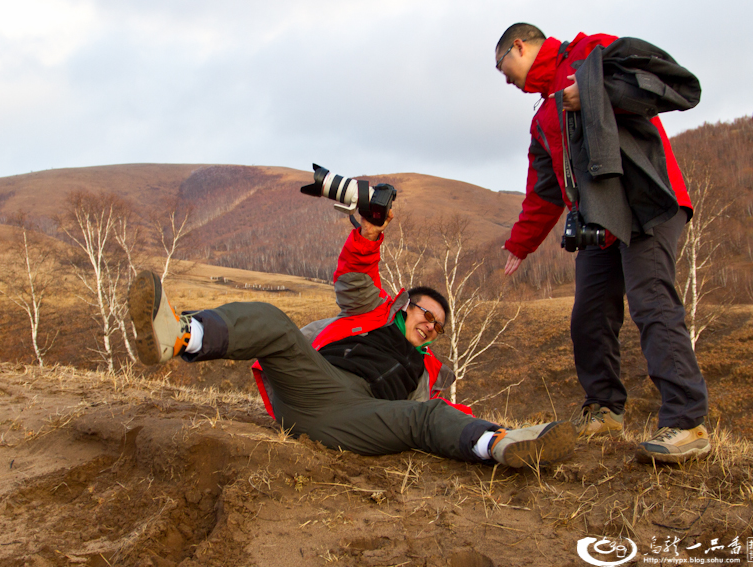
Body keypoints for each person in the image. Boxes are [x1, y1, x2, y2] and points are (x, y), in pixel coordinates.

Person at [127, 210, 575, 469]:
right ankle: (179, 335)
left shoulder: (430, 371)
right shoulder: (373, 311)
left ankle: (505, 446)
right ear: (405, 307)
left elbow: (440, 416)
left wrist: (465, 422)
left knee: (428, 415)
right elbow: (354, 275)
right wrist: (371, 231)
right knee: (272, 322)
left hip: (358, 418)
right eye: (426, 314)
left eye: (438, 326)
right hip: (315, 383)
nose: (431, 327)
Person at [494, 23, 710, 464]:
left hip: (647, 202)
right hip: (598, 221)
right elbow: (545, 190)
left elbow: (671, 84)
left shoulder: (591, 53)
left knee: (651, 301)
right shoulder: (542, 118)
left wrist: (595, 92)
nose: (506, 79)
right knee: (589, 313)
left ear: (520, 45)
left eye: (504, 67)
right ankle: (605, 408)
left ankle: (687, 423)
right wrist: (521, 243)